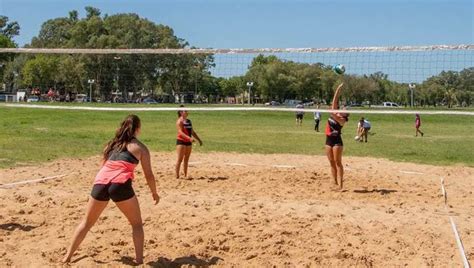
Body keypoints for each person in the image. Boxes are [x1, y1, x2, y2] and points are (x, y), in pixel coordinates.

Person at [62, 115, 159, 265]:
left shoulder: (111, 145)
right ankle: (140, 262)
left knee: (86, 223)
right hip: (119, 184)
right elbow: (149, 176)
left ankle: (67, 256)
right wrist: (154, 192)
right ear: (138, 129)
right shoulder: (140, 148)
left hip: (100, 182)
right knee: (137, 224)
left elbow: (103, 167)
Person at [325, 83, 348, 190]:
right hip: (328, 141)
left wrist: (332, 110)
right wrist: (338, 90)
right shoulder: (334, 113)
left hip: (337, 142)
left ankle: (341, 184)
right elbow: (334, 102)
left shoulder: (342, 120)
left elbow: (333, 112)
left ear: (345, 114)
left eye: (344, 109)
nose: (342, 108)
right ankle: (334, 183)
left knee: (338, 162)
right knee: (331, 162)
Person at [176, 105, 203, 179]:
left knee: (186, 159)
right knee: (180, 159)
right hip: (181, 141)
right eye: (185, 110)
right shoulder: (179, 121)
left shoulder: (188, 121)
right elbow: (180, 132)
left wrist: (199, 139)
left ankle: (185, 175)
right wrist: (189, 138)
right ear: (181, 112)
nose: (187, 111)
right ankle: (177, 176)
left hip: (188, 142)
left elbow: (192, 132)